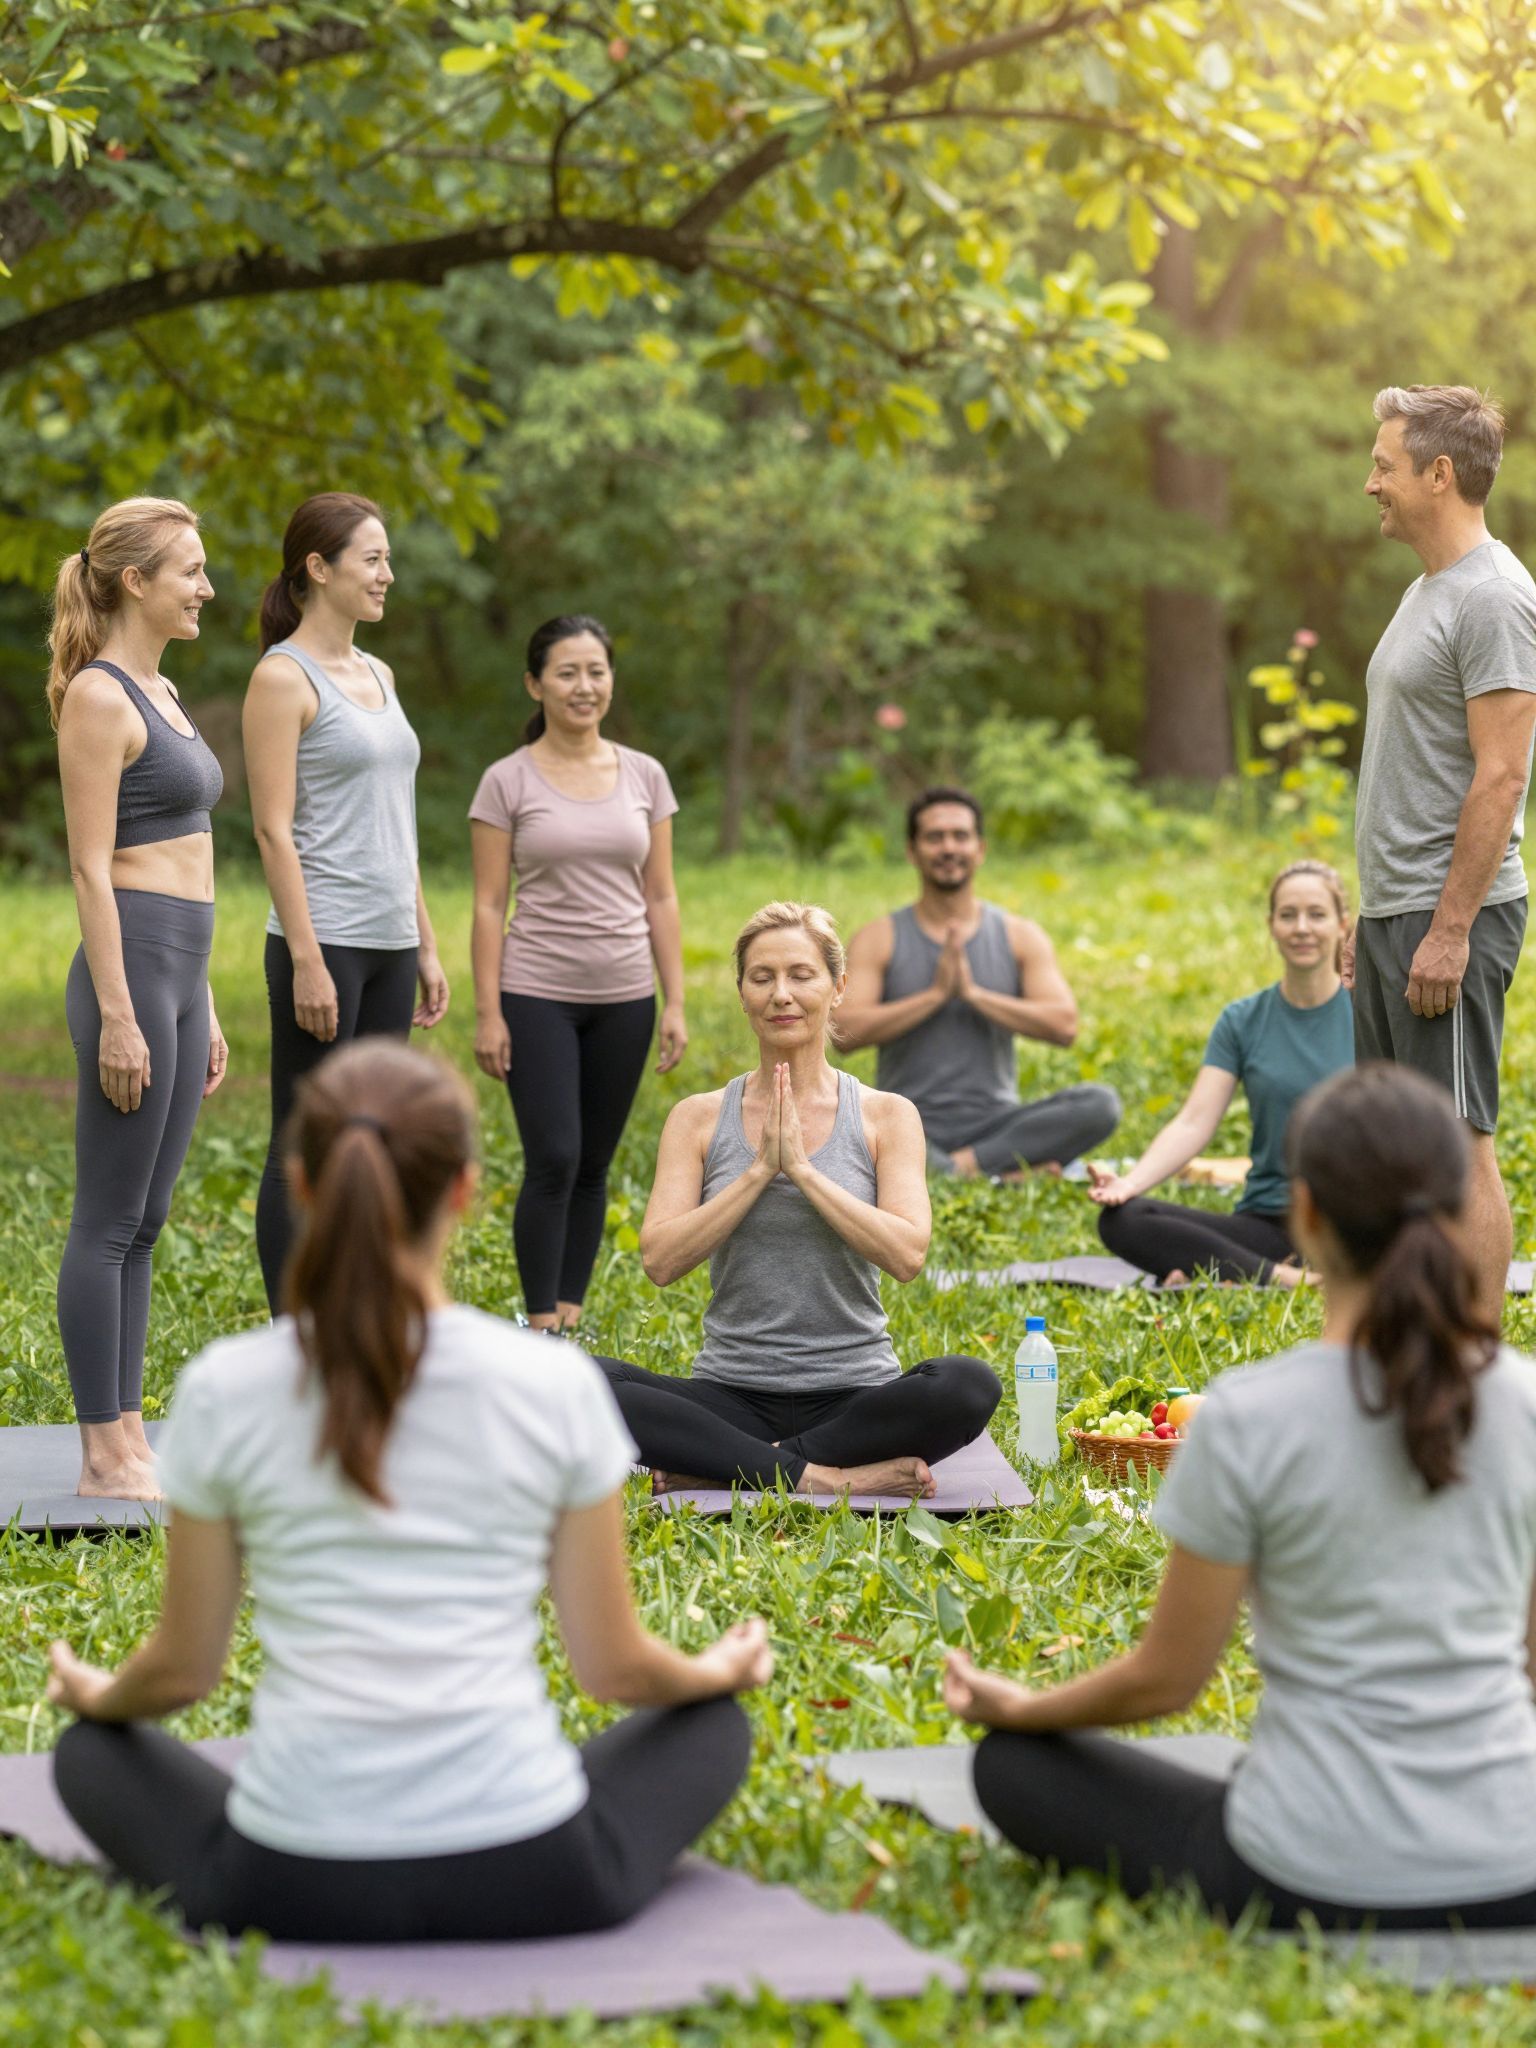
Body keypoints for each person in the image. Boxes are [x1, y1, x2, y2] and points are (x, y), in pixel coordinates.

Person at [45, 1042, 770, 1944]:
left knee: (88, 1751)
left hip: (287, 1883)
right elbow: (613, 1669)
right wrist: (713, 1673)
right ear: (465, 1192)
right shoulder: (549, 1384)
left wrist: (95, 1692)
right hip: (539, 1869)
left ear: (303, 1187)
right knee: (713, 1727)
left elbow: (182, 1672)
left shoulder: (226, 1387)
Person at [944, 1063, 1536, 1932]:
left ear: (1305, 1217)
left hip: (1307, 1871)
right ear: (1457, 1215)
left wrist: (1025, 1707)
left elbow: (1166, 1682)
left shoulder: (1249, 1416)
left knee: (1014, 1767)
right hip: (1514, 1865)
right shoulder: (1525, 1399)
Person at [595, 903, 1001, 1498]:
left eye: (801, 975)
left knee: (968, 1384)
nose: (781, 994)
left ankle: (740, 1468)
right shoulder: (698, 1119)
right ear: (742, 994)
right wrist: (758, 1171)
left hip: (855, 1398)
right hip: (729, 1394)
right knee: (580, 1377)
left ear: (838, 987)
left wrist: (805, 1173)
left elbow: (908, 1254)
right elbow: (659, 1261)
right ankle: (825, 1479)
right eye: (762, 978)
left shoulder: (888, 1116)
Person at [48, 498, 228, 1502]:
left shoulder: (162, 689)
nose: (205, 588)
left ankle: (129, 1430)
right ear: (135, 581)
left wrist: (202, 1001)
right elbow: (89, 868)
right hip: (129, 967)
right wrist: (119, 1010)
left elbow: (188, 856)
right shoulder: (101, 697)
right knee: (108, 1216)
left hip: (179, 967)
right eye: (190, 571)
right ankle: (99, 1453)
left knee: (150, 1217)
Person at [1352, 385, 1536, 1323]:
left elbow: (1502, 779)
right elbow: (1409, 768)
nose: (1370, 481)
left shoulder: (1496, 597)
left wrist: (1449, 929)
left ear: (1439, 473)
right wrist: (1372, 911)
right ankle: (1406, 1347)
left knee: (1456, 1143)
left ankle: (1471, 1371)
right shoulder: (1429, 590)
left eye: (1385, 464)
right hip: (1399, 911)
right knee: (1394, 1145)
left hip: (1448, 915)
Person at [244, 492, 449, 1310]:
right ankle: (295, 1334)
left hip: (391, 941)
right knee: (305, 1143)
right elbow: (272, 831)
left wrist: (426, 943)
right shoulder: (280, 678)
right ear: (318, 569)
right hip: (321, 942)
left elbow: (398, 827)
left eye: (387, 559)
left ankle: (358, 1317)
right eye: (373, 559)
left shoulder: (380, 674)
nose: (387, 575)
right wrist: (305, 958)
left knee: (378, 1139)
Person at [469, 615, 686, 1333]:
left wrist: (676, 1002)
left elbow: (661, 894)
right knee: (554, 1156)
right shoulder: (507, 781)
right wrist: (488, 1012)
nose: (584, 686)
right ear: (536, 684)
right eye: (567, 673)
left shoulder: (645, 775)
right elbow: (488, 903)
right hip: (536, 993)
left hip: (626, 996)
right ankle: (539, 1322)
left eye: (597, 671)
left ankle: (570, 1312)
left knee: (594, 1163)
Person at [1088, 861, 1353, 1286]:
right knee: (1124, 1219)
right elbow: (1194, 1121)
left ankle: (1227, 1275)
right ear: (1271, 926)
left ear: (1343, 925)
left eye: (1316, 914)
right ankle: (1285, 1279)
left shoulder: (1371, 1016)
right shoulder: (1243, 1019)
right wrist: (1129, 1183)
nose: (1302, 927)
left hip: (1349, 1218)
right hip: (1269, 1224)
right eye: (1288, 915)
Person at [838, 788, 1120, 1178]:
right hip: (906, 1121)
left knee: (1100, 1104)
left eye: (960, 836)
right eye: (935, 837)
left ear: (980, 849)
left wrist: (974, 994)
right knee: (844, 1128)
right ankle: (1001, 1174)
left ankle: (959, 1169)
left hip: (997, 1123)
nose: (948, 847)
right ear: (912, 851)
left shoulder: (1019, 935)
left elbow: (1064, 1025)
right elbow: (843, 1032)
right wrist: (934, 996)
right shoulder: (878, 937)